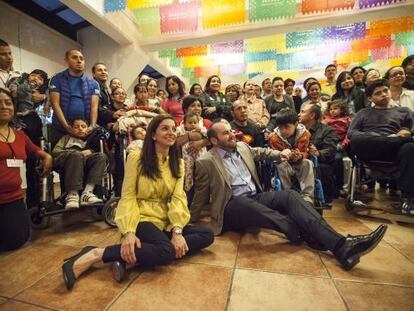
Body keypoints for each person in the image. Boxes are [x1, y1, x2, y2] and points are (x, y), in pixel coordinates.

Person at [190, 120, 386, 271]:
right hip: (230, 206)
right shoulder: (206, 161)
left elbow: (261, 152)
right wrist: (187, 220)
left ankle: (341, 246)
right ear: (214, 140)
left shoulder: (242, 147)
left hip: (255, 198)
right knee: (244, 203)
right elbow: (200, 193)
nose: (232, 135)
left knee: (290, 196)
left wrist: (281, 154)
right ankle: (302, 232)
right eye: (226, 133)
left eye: (231, 131)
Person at [61, 114, 214, 290]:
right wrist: (128, 231)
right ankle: (96, 253)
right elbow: (128, 195)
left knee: (206, 235)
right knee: (166, 252)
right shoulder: (136, 157)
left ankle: (125, 258)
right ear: (153, 135)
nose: (171, 132)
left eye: (173, 128)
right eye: (165, 128)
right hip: (142, 216)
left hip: (166, 218)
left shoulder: (177, 163)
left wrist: (177, 232)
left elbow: (178, 197)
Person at [348, 79, 414, 215]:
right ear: (370, 98)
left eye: (385, 90)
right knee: (356, 139)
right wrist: (387, 138)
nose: (384, 94)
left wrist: (404, 133)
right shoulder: (363, 113)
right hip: (370, 149)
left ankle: (408, 199)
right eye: (378, 93)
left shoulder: (404, 111)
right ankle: (391, 140)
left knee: (409, 147)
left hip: (395, 151)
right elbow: (352, 133)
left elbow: (408, 131)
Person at [0, 88, 52, 251]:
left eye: (8, 103)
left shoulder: (20, 135)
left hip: (14, 199)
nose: (4, 106)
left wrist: (47, 157)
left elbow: (36, 150)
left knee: (17, 241)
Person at [9, 69, 48, 209]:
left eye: (40, 78)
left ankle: (33, 202)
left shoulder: (41, 92)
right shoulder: (19, 79)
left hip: (30, 120)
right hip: (13, 120)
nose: (35, 78)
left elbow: (49, 96)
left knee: (33, 164)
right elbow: (12, 89)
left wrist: (43, 97)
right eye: (34, 75)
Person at [52, 117, 107, 208]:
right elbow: (55, 151)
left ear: (88, 129)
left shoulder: (91, 140)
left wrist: (91, 152)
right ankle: (72, 194)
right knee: (76, 155)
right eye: (76, 127)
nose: (80, 129)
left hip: (84, 162)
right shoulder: (66, 138)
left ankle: (87, 193)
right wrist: (76, 153)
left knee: (101, 156)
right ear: (71, 128)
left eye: (83, 126)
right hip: (67, 160)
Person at [49, 49, 100, 147]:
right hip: (60, 128)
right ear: (66, 61)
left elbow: (94, 107)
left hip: (85, 131)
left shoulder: (93, 83)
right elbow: (55, 104)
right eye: (74, 57)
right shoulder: (56, 79)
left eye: (81, 58)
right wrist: (67, 127)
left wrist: (92, 126)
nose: (79, 61)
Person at [268, 108, 314, 204]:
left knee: (308, 163)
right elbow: (275, 154)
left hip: (299, 163)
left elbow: (306, 152)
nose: (283, 131)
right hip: (284, 164)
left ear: (296, 124)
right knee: (280, 165)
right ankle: (287, 195)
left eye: (287, 127)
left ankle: (307, 197)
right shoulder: (274, 138)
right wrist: (284, 155)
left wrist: (300, 156)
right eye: (280, 127)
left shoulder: (305, 135)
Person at [299, 103, 338, 205]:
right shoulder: (295, 129)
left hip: (318, 162)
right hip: (298, 160)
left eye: (303, 112)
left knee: (323, 168)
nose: (299, 114)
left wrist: (318, 153)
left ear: (312, 115)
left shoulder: (327, 130)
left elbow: (330, 150)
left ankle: (322, 200)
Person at [177, 112, 208, 205]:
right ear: (184, 123)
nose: (193, 125)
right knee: (187, 171)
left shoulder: (201, 129)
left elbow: (209, 134)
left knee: (202, 167)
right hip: (187, 153)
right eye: (190, 123)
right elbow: (175, 136)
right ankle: (187, 186)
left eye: (195, 122)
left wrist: (201, 133)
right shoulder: (181, 129)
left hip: (200, 153)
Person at [322, 100, 352, 194]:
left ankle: (340, 185)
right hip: (328, 142)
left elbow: (350, 134)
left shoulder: (347, 120)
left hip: (341, 143)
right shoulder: (326, 120)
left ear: (342, 110)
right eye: (330, 109)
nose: (332, 111)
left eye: (335, 108)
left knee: (338, 159)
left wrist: (344, 144)